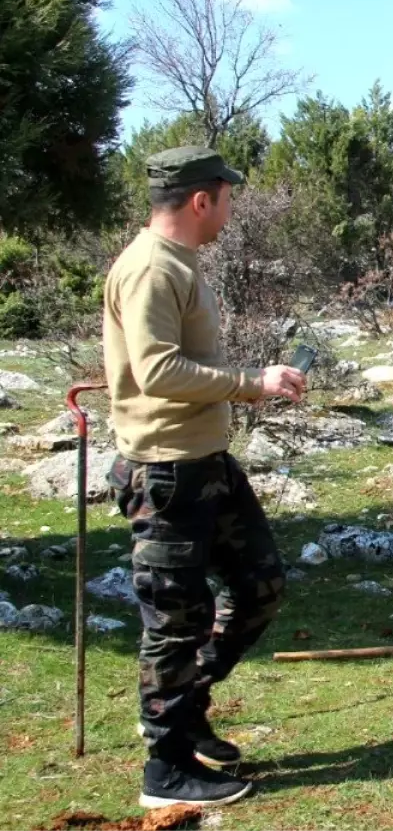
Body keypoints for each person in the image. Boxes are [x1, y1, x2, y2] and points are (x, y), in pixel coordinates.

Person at [103, 147, 306, 808]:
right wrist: (252, 385)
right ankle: (165, 770)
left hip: (206, 464)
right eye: (227, 197)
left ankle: (187, 706)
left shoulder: (179, 266)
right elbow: (156, 371)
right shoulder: (149, 270)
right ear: (201, 200)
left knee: (261, 586)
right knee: (174, 622)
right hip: (166, 473)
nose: (229, 209)